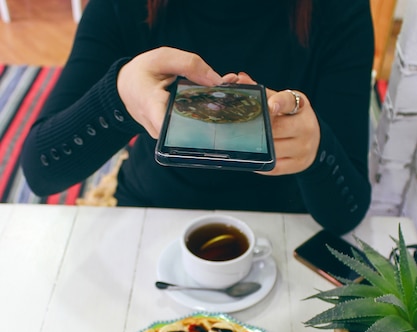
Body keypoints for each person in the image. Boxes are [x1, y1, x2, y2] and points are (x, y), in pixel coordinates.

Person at [21, 0, 374, 234]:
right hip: (151, 210)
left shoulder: (339, 9)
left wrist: (317, 150)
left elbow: (349, 210)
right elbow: (41, 169)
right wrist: (121, 95)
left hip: (281, 225)